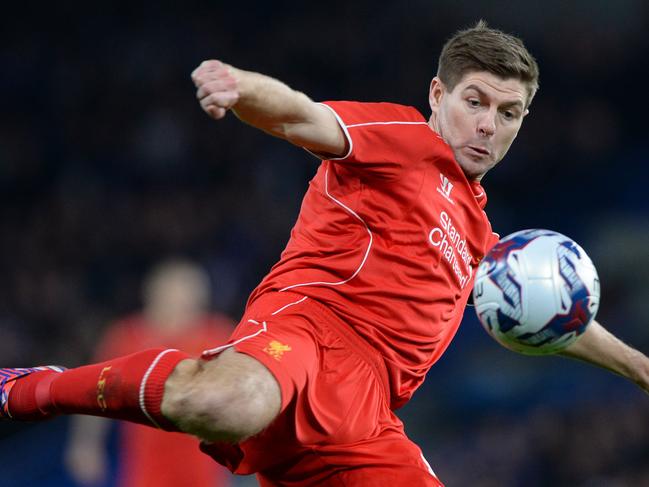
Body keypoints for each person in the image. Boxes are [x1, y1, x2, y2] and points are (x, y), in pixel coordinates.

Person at [1, 21, 648, 486]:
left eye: (508, 112)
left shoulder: (482, 235)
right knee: (231, 403)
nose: (488, 124)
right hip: (308, 334)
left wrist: (640, 367)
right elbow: (303, 118)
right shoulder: (400, 139)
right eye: (474, 101)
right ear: (436, 96)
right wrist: (240, 88)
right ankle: (30, 389)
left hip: (365, 421)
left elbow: (557, 321)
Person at [64, 259, 234, 487]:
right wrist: (85, 444)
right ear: (155, 295)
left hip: (203, 463)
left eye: (192, 297)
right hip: (147, 466)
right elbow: (93, 389)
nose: (186, 305)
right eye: (177, 296)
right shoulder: (127, 336)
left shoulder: (218, 334)